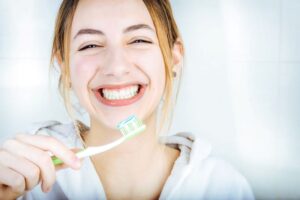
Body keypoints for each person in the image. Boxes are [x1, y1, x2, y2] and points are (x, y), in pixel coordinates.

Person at [0, 0, 255, 199]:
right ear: (64, 66)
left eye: (139, 40)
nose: (116, 67)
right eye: (90, 45)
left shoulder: (224, 186)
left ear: (174, 57)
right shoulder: (23, 182)